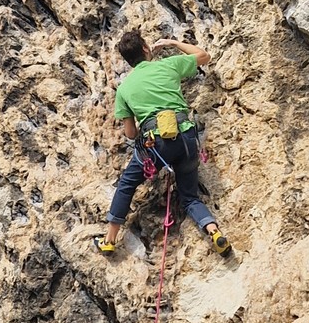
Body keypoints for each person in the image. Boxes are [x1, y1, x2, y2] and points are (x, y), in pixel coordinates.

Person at [97, 29, 230, 256]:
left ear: (128, 60)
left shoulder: (124, 89)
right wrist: (172, 42)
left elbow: (130, 133)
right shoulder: (167, 65)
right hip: (186, 138)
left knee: (127, 184)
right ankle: (213, 230)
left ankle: (109, 240)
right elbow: (204, 55)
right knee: (189, 197)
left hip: (154, 146)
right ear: (147, 49)